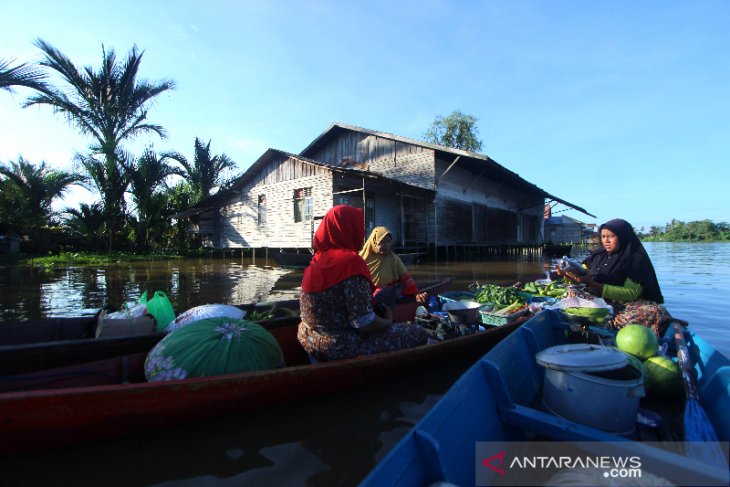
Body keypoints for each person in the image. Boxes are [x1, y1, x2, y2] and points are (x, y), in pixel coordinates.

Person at [297, 205, 428, 361]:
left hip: (308, 338)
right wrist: (387, 322)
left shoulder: (317, 258)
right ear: (349, 228)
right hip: (337, 345)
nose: (361, 232)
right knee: (419, 333)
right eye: (358, 226)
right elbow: (364, 323)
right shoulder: (351, 262)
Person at [559, 218, 669, 336]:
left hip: (625, 306)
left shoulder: (636, 258)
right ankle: (601, 321)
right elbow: (583, 272)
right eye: (603, 236)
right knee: (569, 294)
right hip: (601, 302)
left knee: (654, 312)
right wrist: (568, 275)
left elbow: (631, 293)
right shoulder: (599, 255)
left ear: (622, 237)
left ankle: (607, 324)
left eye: (611, 236)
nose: (606, 241)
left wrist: (594, 284)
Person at [359, 226, 428, 305]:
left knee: (398, 286)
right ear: (374, 242)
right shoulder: (362, 258)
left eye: (389, 242)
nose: (386, 245)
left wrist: (417, 294)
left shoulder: (393, 258)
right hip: (368, 293)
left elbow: (406, 277)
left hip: (388, 291)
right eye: (383, 241)